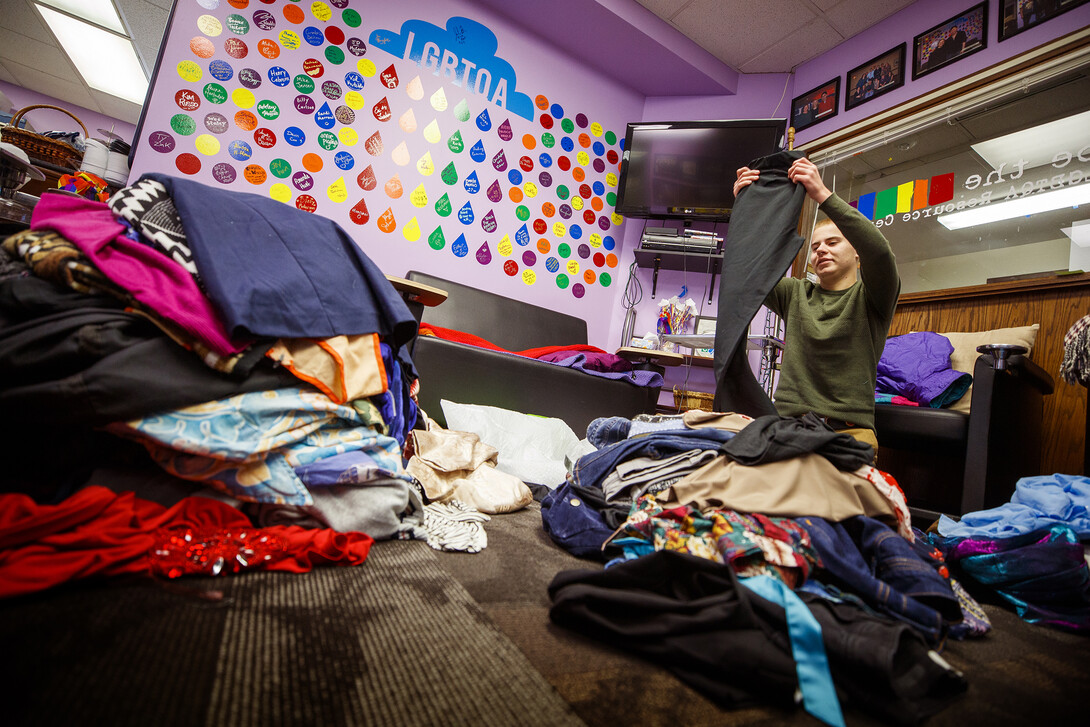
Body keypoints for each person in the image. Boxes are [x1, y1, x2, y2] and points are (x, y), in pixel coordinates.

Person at [732, 157, 900, 452]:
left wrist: (822, 194)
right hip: (787, 427)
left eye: (833, 243)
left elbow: (881, 253)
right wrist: (747, 209)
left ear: (857, 254)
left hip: (849, 434)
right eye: (815, 246)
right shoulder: (794, 294)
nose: (821, 249)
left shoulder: (873, 298)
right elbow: (746, 271)